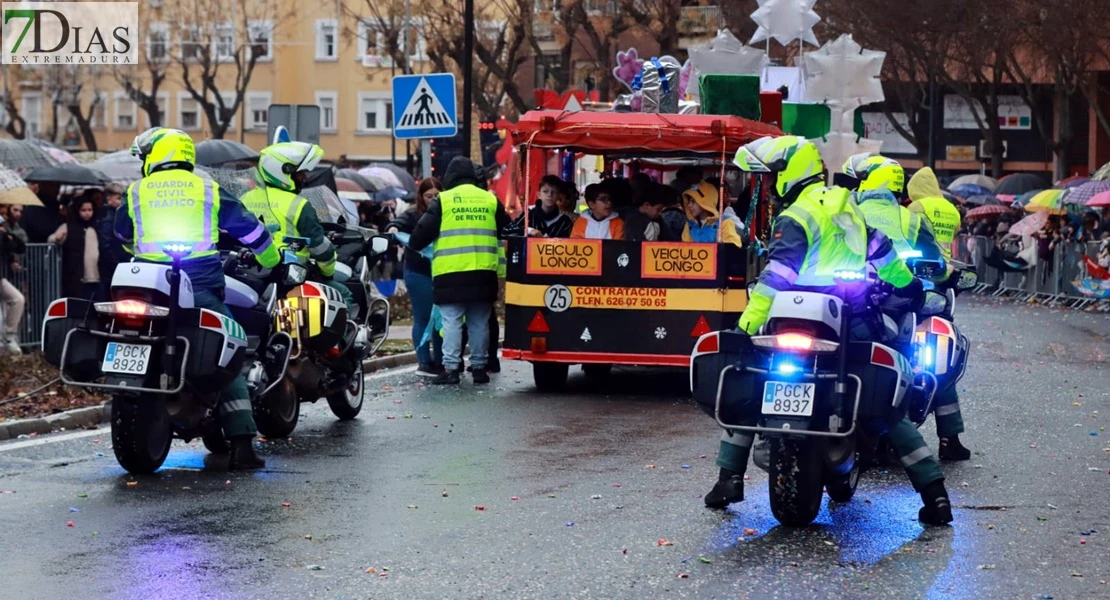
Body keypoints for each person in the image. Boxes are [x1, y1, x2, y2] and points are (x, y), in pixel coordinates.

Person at [708, 135, 952, 526]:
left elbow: (775, 279)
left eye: (771, 178)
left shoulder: (796, 216)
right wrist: (910, 290)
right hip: (850, 318)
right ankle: (935, 494)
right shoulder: (848, 206)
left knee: (755, 384)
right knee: (885, 400)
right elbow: (884, 255)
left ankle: (728, 478)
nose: (768, 187)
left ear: (790, 173)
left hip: (789, 319)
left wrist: (745, 326)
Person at [115, 127, 280, 470]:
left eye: (145, 155)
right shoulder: (205, 186)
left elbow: (122, 234)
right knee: (229, 349)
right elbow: (248, 229)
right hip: (200, 285)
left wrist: (143, 251)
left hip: (147, 285)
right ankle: (242, 443)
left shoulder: (136, 190)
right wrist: (272, 261)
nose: (143, 161)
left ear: (156, 154)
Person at [842, 154, 970, 460]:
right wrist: (945, 274)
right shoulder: (910, 217)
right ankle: (949, 438)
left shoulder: (847, 209)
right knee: (936, 350)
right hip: (902, 298)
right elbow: (938, 263)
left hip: (848, 298)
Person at [409, 156, 510, 385]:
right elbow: (508, 229)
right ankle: (479, 369)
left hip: (450, 273)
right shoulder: (489, 199)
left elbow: (420, 235)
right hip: (483, 273)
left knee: (452, 322)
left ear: (450, 177)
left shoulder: (443, 201)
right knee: (479, 322)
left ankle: (452, 369)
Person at [240, 142, 354, 314]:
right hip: (291, 276)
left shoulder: (245, 198)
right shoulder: (298, 205)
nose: (304, 178)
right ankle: (342, 340)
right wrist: (327, 272)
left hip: (251, 272)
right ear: (283, 172)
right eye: (299, 173)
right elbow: (320, 248)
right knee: (342, 293)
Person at [842, 154, 943, 261]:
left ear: (870, 180)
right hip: (901, 275)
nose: (854, 189)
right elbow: (933, 257)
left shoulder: (847, 212)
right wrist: (944, 274)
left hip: (854, 273)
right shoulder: (913, 219)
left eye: (858, 183)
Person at [389, 177, 443, 378]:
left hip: (441, 271)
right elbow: (398, 223)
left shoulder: (446, 212)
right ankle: (424, 362)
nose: (433, 199)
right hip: (418, 272)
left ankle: (439, 361)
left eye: (437, 195)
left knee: (440, 320)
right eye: (429, 196)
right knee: (423, 316)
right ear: (421, 197)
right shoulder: (413, 213)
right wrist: (393, 228)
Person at [907, 167, 962, 261]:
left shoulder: (917, 206)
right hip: (945, 261)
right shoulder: (951, 207)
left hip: (921, 261)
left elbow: (906, 231)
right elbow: (955, 233)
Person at [505, 175, 574, 238]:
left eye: (554, 192)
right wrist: (529, 230)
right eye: (545, 191)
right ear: (539, 195)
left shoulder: (565, 222)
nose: (549, 195)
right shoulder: (529, 213)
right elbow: (507, 230)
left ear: (559, 196)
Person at [59, 198, 101, 299]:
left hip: (95, 274)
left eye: (90, 210)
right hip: (74, 273)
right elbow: (52, 239)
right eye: (83, 210)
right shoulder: (69, 226)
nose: (87, 213)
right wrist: (58, 238)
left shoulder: (97, 226)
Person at [680, 182, 743, 247]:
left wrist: (721, 247)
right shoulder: (689, 226)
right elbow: (685, 251)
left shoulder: (724, 223)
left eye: (693, 201)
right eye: (689, 201)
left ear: (706, 202)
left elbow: (733, 249)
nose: (689, 205)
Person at [0, 213, 26, 354]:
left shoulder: (4, 234)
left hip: (1, 278)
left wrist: (9, 236)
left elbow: (20, 248)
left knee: (17, 299)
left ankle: (9, 335)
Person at [96, 183, 129, 290]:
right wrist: (116, 262)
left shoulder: (112, 214)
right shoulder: (109, 217)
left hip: (114, 262)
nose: (121, 201)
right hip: (112, 263)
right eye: (119, 198)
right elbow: (106, 244)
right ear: (109, 199)